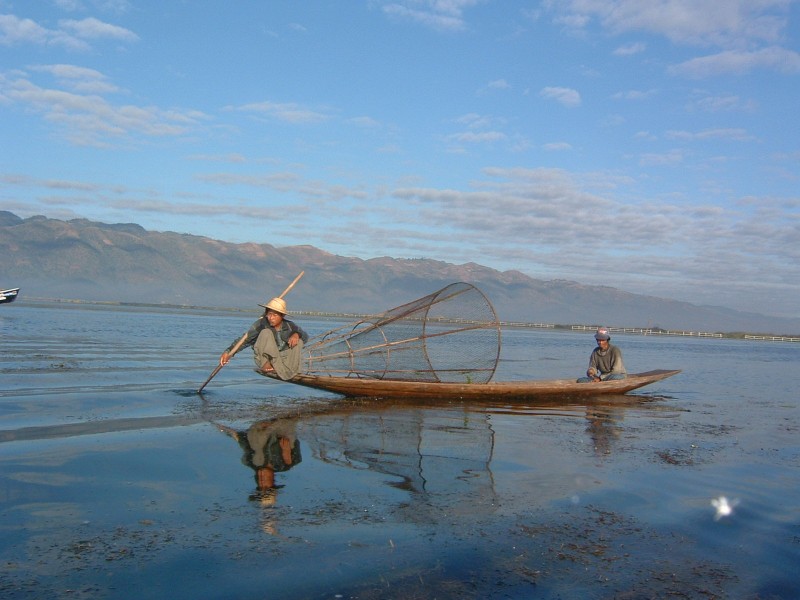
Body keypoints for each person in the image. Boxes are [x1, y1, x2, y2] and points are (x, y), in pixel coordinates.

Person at [219, 296, 308, 380]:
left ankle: (291, 370)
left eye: (275, 315)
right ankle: (267, 365)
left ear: (282, 316)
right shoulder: (261, 324)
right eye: (269, 314)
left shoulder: (289, 325)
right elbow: (245, 340)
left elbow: (305, 337)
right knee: (266, 333)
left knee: (299, 341)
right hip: (265, 360)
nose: (271, 318)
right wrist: (229, 352)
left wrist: (296, 334)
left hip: (282, 361)